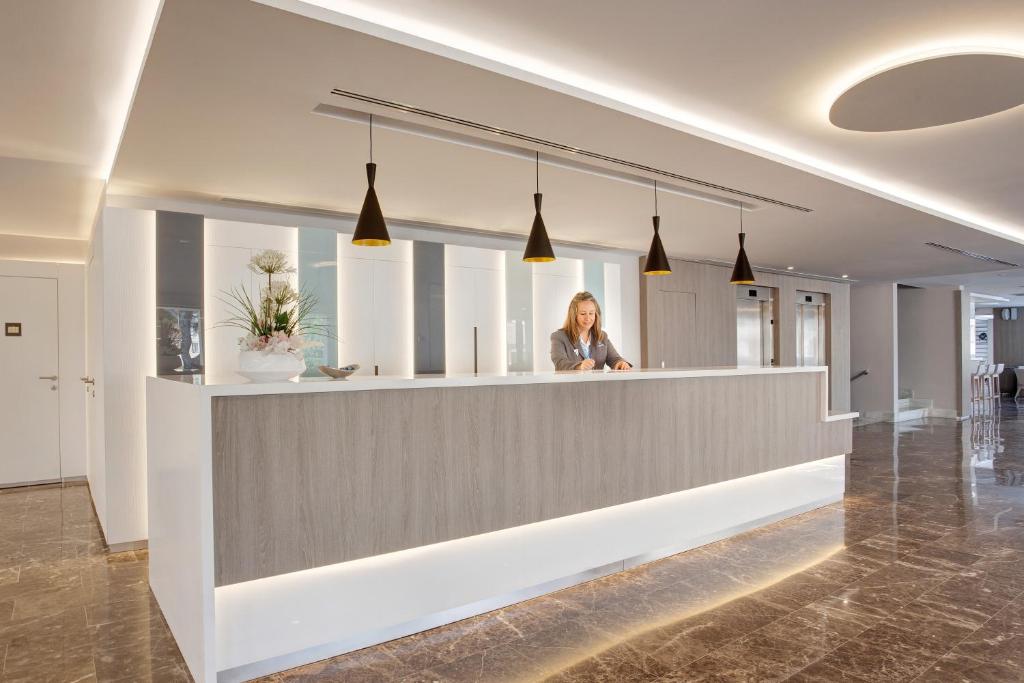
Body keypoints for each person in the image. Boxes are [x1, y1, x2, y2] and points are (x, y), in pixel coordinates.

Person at [550, 291, 631, 371]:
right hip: (572, 380)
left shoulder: (602, 336)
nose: (588, 318)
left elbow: (614, 359)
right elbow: (560, 363)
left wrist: (620, 363)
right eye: (583, 313)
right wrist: (580, 367)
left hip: (596, 380)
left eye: (591, 313)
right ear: (573, 315)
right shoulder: (559, 337)